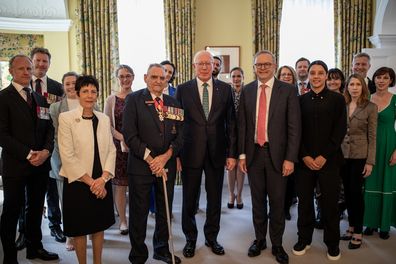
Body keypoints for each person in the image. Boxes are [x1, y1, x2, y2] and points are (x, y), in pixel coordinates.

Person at [238, 50, 301, 264]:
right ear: (254, 67)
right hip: (254, 154)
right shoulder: (246, 91)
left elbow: (294, 128)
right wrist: (242, 155)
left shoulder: (288, 90)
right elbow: (243, 127)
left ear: (274, 66)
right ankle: (259, 240)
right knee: (257, 202)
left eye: (267, 64)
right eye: (258, 65)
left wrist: (290, 158)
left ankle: (277, 243)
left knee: (277, 202)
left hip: (279, 156)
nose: (262, 68)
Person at [177, 50, 237, 258]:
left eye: (207, 63)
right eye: (200, 63)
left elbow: (231, 123)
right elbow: (177, 124)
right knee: (189, 199)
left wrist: (231, 153)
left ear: (214, 66)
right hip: (189, 153)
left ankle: (212, 238)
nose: (204, 67)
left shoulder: (226, 89)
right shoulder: (183, 90)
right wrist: (176, 155)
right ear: (194, 66)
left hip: (216, 152)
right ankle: (190, 240)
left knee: (214, 199)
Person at [122, 63, 184, 264]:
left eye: (162, 77)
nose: (158, 81)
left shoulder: (174, 103)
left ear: (167, 80)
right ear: (145, 78)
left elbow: (181, 135)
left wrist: (166, 156)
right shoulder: (134, 99)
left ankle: (161, 249)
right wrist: (151, 159)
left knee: (164, 210)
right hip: (141, 166)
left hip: (166, 164)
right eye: (154, 77)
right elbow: (129, 135)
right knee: (139, 212)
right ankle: (138, 254)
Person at [0, 54, 59, 263]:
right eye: (21, 69)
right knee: (11, 212)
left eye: (28, 68)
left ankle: (35, 248)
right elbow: (2, 135)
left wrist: (45, 152)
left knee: (35, 210)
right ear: (11, 72)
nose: (26, 72)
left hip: (40, 166)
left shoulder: (40, 98)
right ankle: (9, 257)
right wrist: (28, 153)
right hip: (15, 166)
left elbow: (49, 129)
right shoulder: (3, 97)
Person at [58, 75, 116, 264]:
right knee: (79, 228)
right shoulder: (66, 118)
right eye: (85, 91)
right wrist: (92, 183)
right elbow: (67, 155)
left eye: (93, 91)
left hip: (102, 180)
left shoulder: (104, 119)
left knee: (99, 226)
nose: (90, 95)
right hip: (78, 180)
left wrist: (103, 179)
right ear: (77, 94)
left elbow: (111, 150)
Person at [293, 60, 347, 261]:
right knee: (304, 203)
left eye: (320, 73)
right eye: (312, 72)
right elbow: (296, 132)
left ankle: (332, 243)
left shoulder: (337, 100)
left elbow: (340, 130)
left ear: (326, 76)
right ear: (308, 75)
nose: (316, 76)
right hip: (304, 162)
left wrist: (324, 155)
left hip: (330, 161)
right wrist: (305, 156)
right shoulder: (300, 100)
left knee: (330, 204)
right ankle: (303, 239)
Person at [15, 47, 65, 250]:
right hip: (23, 151)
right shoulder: (19, 87)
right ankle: (23, 233)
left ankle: (55, 226)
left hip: (48, 149)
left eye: (45, 61)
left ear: (49, 64)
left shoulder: (56, 87)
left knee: (52, 191)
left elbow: (58, 120)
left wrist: (47, 149)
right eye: (38, 61)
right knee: (24, 197)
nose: (41, 64)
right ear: (31, 62)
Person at [340, 74, 377, 249]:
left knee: (356, 194)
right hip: (342, 155)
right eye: (351, 84)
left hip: (360, 156)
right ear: (346, 87)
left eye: (358, 84)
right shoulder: (342, 104)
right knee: (347, 193)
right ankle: (351, 226)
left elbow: (372, 136)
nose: (354, 87)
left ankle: (358, 232)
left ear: (363, 87)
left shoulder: (371, 107)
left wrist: (370, 161)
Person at [363, 67, 396, 239]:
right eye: (378, 77)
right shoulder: (366, 98)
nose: (381, 80)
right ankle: (370, 223)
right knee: (369, 183)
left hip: (390, 145)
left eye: (385, 78)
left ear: (391, 81)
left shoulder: (395, 100)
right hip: (369, 145)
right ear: (374, 80)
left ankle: (384, 225)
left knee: (386, 184)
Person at [49, 71, 80, 251]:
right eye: (67, 83)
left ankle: (88, 230)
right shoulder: (55, 108)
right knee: (67, 202)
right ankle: (70, 235)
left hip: (87, 162)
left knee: (85, 201)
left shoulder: (92, 104)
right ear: (63, 86)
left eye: (74, 83)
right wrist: (66, 161)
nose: (71, 86)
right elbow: (54, 138)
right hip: (63, 162)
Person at [104, 65, 134, 236]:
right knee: (121, 185)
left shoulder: (140, 97)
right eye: (121, 76)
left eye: (128, 76)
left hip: (138, 147)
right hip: (118, 147)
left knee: (137, 185)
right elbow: (106, 125)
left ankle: (137, 218)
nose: (125, 79)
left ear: (133, 77)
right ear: (117, 78)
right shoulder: (111, 100)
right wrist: (123, 138)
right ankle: (123, 220)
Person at [276, 65, 298, 220]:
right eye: (283, 75)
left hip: (293, 142)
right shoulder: (275, 93)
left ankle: (285, 208)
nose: (286, 77)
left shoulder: (297, 93)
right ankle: (276, 208)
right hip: (278, 143)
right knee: (276, 180)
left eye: (289, 75)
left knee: (290, 180)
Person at [227, 67, 246, 209]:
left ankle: (239, 194)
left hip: (245, 133)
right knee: (230, 166)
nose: (236, 79)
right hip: (229, 133)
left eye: (238, 76)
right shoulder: (227, 92)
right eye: (233, 76)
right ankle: (230, 195)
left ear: (243, 77)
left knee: (241, 165)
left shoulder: (248, 91)